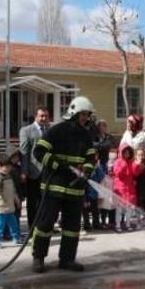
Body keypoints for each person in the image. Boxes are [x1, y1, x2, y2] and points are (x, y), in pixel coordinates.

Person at [31, 96, 96, 273]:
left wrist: (87, 172)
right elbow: (39, 152)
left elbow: (91, 157)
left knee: (72, 227)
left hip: (75, 189)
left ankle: (67, 259)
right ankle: (38, 258)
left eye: (87, 115)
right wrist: (57, 164)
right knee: (45, 224)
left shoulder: (86, 135)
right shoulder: (56, 131)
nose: (86, 118)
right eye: (83, 114)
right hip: (54, 187)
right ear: (74, 112)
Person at [19, 107, 50, 229]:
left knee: (46, 199)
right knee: (33, 202)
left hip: (47, 170)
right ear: (36, 116)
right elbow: (24, 152)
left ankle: (45, 225)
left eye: (46, 116)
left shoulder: (50, 130)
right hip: (33, 171)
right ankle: (33, 227)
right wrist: (24, 171)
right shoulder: (26, 130)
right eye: (41, 116)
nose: (44, 118)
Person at [0, 154, 22, 248]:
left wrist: (17, 199)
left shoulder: (9, 176)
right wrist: (2, 203)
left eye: (10, 166)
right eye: (7, 166)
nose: (9, 168)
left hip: (10, 207)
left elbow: (13, 190)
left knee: (14, 224)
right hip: (1, 208)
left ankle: (16, 237)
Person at [113, 144, 143, 233]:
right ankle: (118, 224)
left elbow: (135, 173)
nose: (127, 155)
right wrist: (123, 165)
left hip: (129, 189)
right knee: (119, 209)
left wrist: (138, 165)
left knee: (129, 209)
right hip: (120, 189)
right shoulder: (118, 162)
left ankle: (128, 224)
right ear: (121, 153)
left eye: (128, 153)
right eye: (125, 153)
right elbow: (118, 174)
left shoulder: (131, 162)